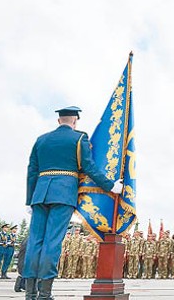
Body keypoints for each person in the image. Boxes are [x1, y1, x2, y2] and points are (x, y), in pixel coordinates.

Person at [24, 106, 123, 300]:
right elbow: (89, 167)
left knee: (35, 241)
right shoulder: (79, 138)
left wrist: (30, 199)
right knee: (52, 242)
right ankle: (45, 293)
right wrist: (110, 186)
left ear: (59, 120)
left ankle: (30, 292)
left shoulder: (41, 140)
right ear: (75, 121)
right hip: (63, 192)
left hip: (40, 194)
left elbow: (32, 171)